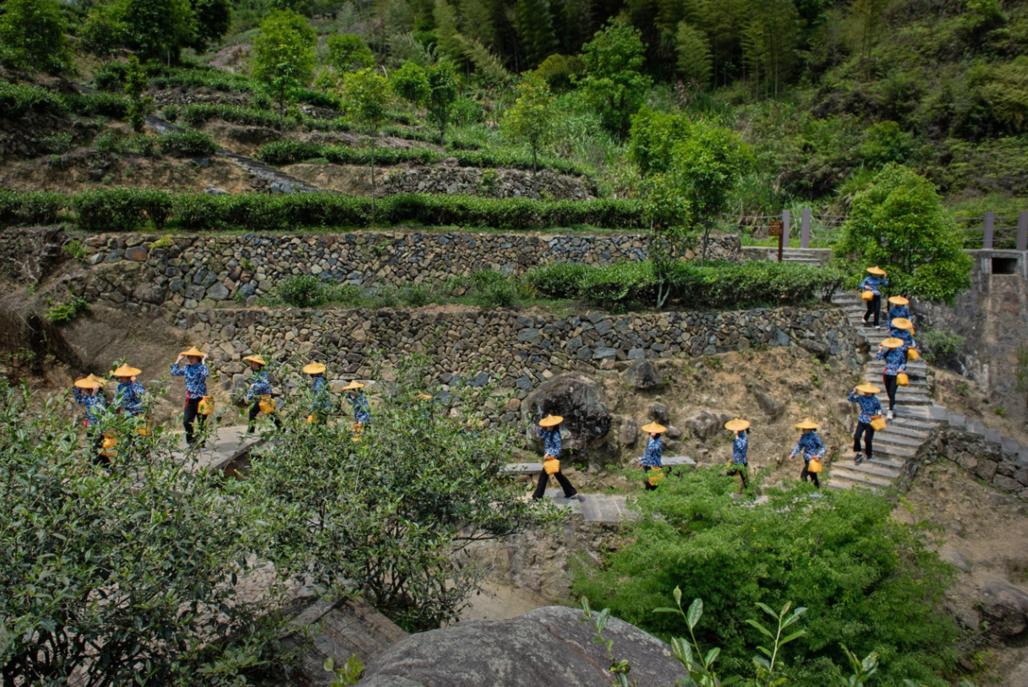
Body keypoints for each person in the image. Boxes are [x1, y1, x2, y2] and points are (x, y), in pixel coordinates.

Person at [532, 414, 580, 501]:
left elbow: (557, 448)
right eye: (548, 425)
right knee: (558, 476)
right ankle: (571, 492)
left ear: (554, 425)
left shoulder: (555, 435)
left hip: (553, 458)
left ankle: (537, 496)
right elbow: (540, 436)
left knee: (544, 476)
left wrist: (549, 454)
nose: (549, 427)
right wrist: (541, 427)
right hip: (549, 458)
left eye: (550, 425)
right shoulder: (547, 432)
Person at [171, 346, 209, 446]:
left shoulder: (202, 367)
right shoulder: (187, 368)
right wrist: (178, 360)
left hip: (202, 399)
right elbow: (174, 372)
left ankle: (201, 442)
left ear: (198, 358)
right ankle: (191, 440)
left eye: (193, 357)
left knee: (201, 422)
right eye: (189, 357)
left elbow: (205, 374)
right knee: (186, 421)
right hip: (190, 399)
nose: (190, 358)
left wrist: (204, 360)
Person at [73, 376, 109, 463]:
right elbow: (79, 400)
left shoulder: (99, 398)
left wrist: (94, 394)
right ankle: (105, 467)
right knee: (96, 448)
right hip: (91, 427)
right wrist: (76, 388)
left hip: (98, 428)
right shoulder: (89, 398)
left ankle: (102, 467)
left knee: (96, 448)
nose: (84, 390)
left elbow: (97, 406)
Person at [244, 355, 281, 433]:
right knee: (253, 411)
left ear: (258, 365)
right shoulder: (255, 374)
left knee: (270, 413)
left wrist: (255, 385)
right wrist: (249, 396)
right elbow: (253, 388)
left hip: (265, 396)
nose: (252, 365)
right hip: (260, 397)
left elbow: (265, 385)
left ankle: (281, 428)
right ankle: (251, 430)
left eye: (254, 364)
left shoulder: (263, 373)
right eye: (252, 363)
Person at [848, 383, 883, 464]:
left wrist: (877, 416)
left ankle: (869, 453)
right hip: (862, 419)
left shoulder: (876, 400)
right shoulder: (861, 398)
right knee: (856, 436)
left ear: (872, 392)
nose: (866, 392)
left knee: (868, 439)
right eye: (865, 391)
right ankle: (858, 452)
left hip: (871, 421)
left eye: (868, 391)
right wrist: (853, 391)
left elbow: (879, 412)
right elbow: (850, 399)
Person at [788, 419, 825, 489]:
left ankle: (805, 490)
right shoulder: (803, 436)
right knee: (813, 476)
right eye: (803, 428)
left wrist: (818, 456)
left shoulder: (815, 436)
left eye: (805, 428)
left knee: (803, 476)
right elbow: (799, 446)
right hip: (806, 459)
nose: (803, 429)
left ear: (810, 429)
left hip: (812, 460)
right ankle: (817, 490)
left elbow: (822, 447)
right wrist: (792, 455)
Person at [876, 337, 906, 419]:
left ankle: (890, 411)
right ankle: (893, 404)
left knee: (892, 393)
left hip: (895, 374)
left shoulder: (900, 353)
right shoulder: (887, 352)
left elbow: (903, 363)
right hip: (886, 374)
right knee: (889, 392)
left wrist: (901, 368)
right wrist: (880, 350)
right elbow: (878, 358)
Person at [724, 418, 750, 493]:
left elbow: (741, 447)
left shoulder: (743, 437)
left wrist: (736, 436)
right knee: (732, 474)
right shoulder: (738, 436)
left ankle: (750, 494)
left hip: (741, 461)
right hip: (737, 460)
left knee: (744, 478)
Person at [639, 421, 667, 490]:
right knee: (647, 482)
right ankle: (647, 497)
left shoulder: (659, 442)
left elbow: (652, 449)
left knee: (654, 484)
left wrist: (651, 438)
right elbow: (646, 452)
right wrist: (642, 461)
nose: (650, 433)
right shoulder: (650, 440)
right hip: (647, 464)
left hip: (655, 465)